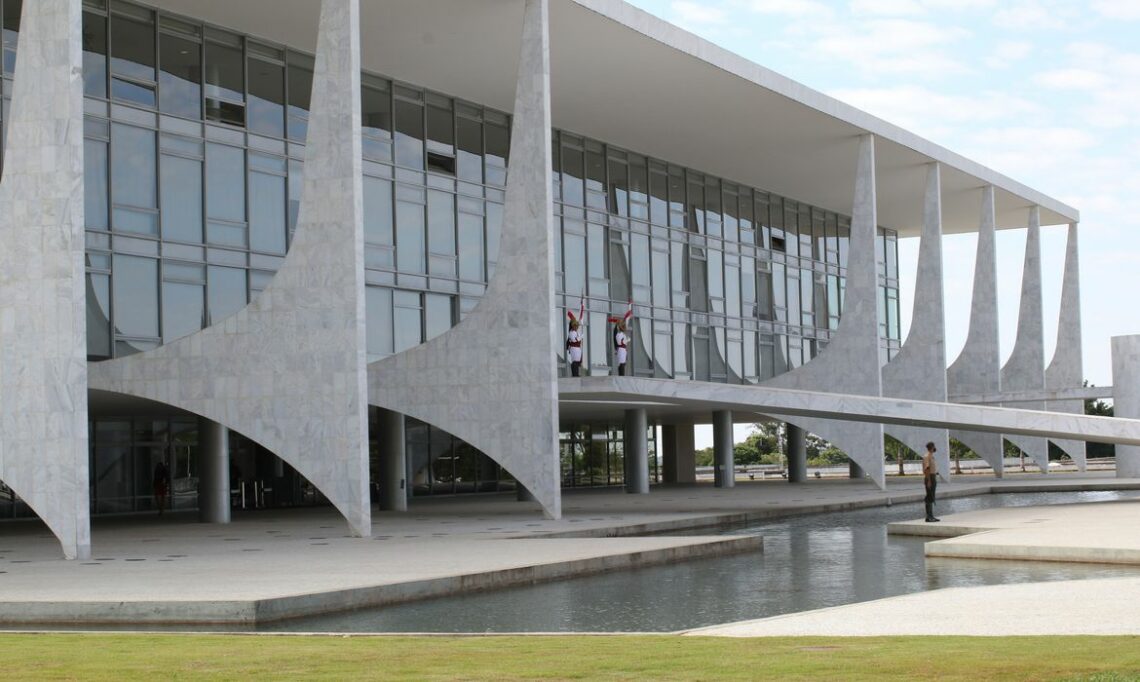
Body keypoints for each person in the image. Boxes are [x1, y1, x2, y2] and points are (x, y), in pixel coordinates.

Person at [922, 441, 940, 522]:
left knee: (931, 496)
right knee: (929, 497)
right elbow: (927, 469)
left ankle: (931, 516)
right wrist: (929, 481)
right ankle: (928, 517)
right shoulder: (927, 456)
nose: (935, 448)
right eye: (934, 446)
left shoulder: (931, 456)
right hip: (930, 477)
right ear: (932, 447)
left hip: (933, 477)